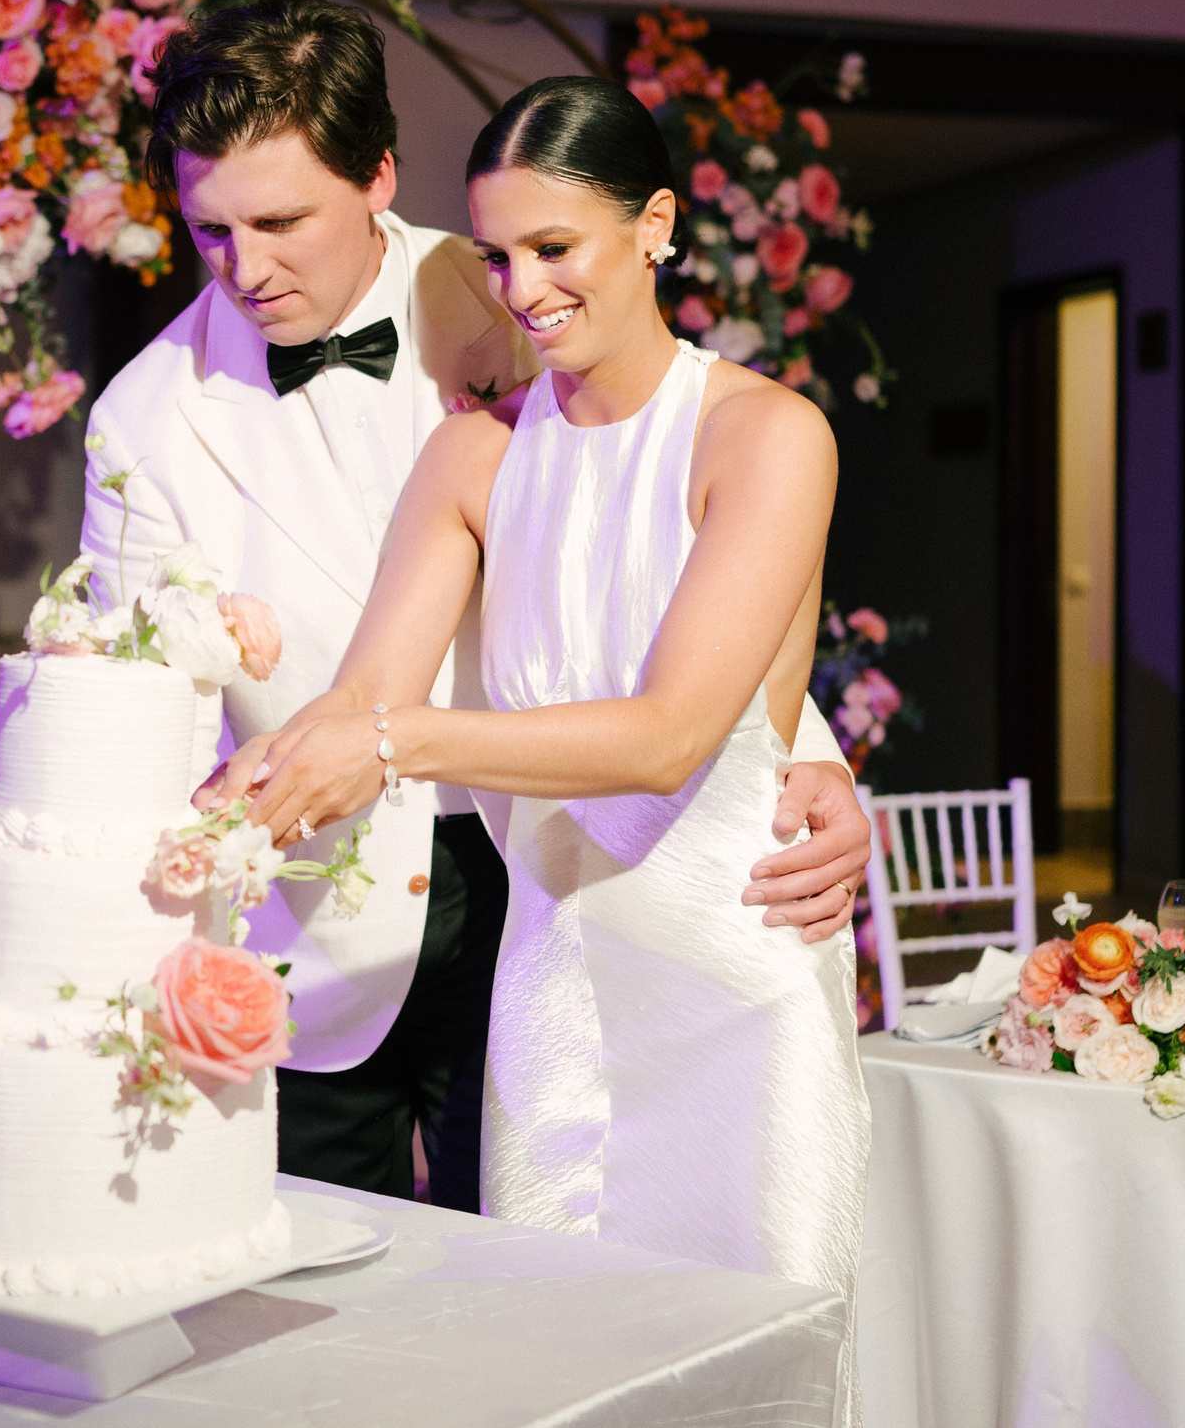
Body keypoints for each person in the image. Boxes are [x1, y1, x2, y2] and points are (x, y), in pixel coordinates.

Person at [81, 0, 870, 1214]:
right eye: (211, 230)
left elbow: (669, 559)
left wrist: (799, 759)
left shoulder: (504, 279)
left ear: (378, 177)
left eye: (282, 219)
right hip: (322, 904)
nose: (247, 267)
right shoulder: (145, 419)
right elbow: (149, 708)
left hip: (546, 875)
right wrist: (152, 939)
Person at [203, 71, 871, 1422]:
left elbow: (672, 733)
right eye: (498, 253)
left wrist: (391, 740)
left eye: (553, 247)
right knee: (556, 1368)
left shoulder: (769, 434)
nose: (519, 287)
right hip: (557, 976)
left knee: (764, 1372)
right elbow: (363, 694)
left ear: (657, 226)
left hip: (735, 987)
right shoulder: (474, 458)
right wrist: (230, 794)